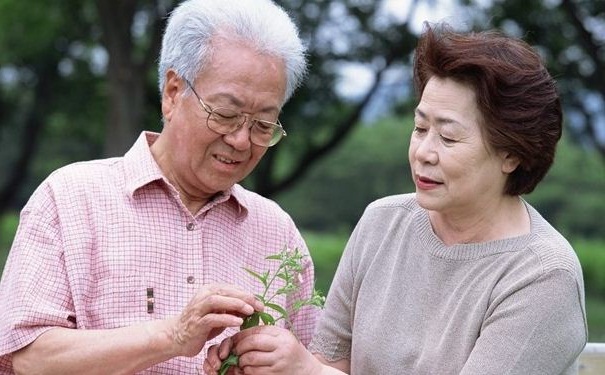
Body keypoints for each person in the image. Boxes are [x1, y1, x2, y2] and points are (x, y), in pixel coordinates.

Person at [203, 22, 587, 375]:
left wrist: (308, 372)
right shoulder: (382, 223)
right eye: (420, 128)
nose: (424, 151)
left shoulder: (542, 275)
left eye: (449, 137)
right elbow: (332, 362)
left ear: (511, 155)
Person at [0, 0, 319, 373]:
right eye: (226, 115)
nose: (241, 141)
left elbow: (313, 361)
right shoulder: (71, 198)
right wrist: (172, 337)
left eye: (263, 125)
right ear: (172, 92)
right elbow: (28, 358)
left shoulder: (276, 231)